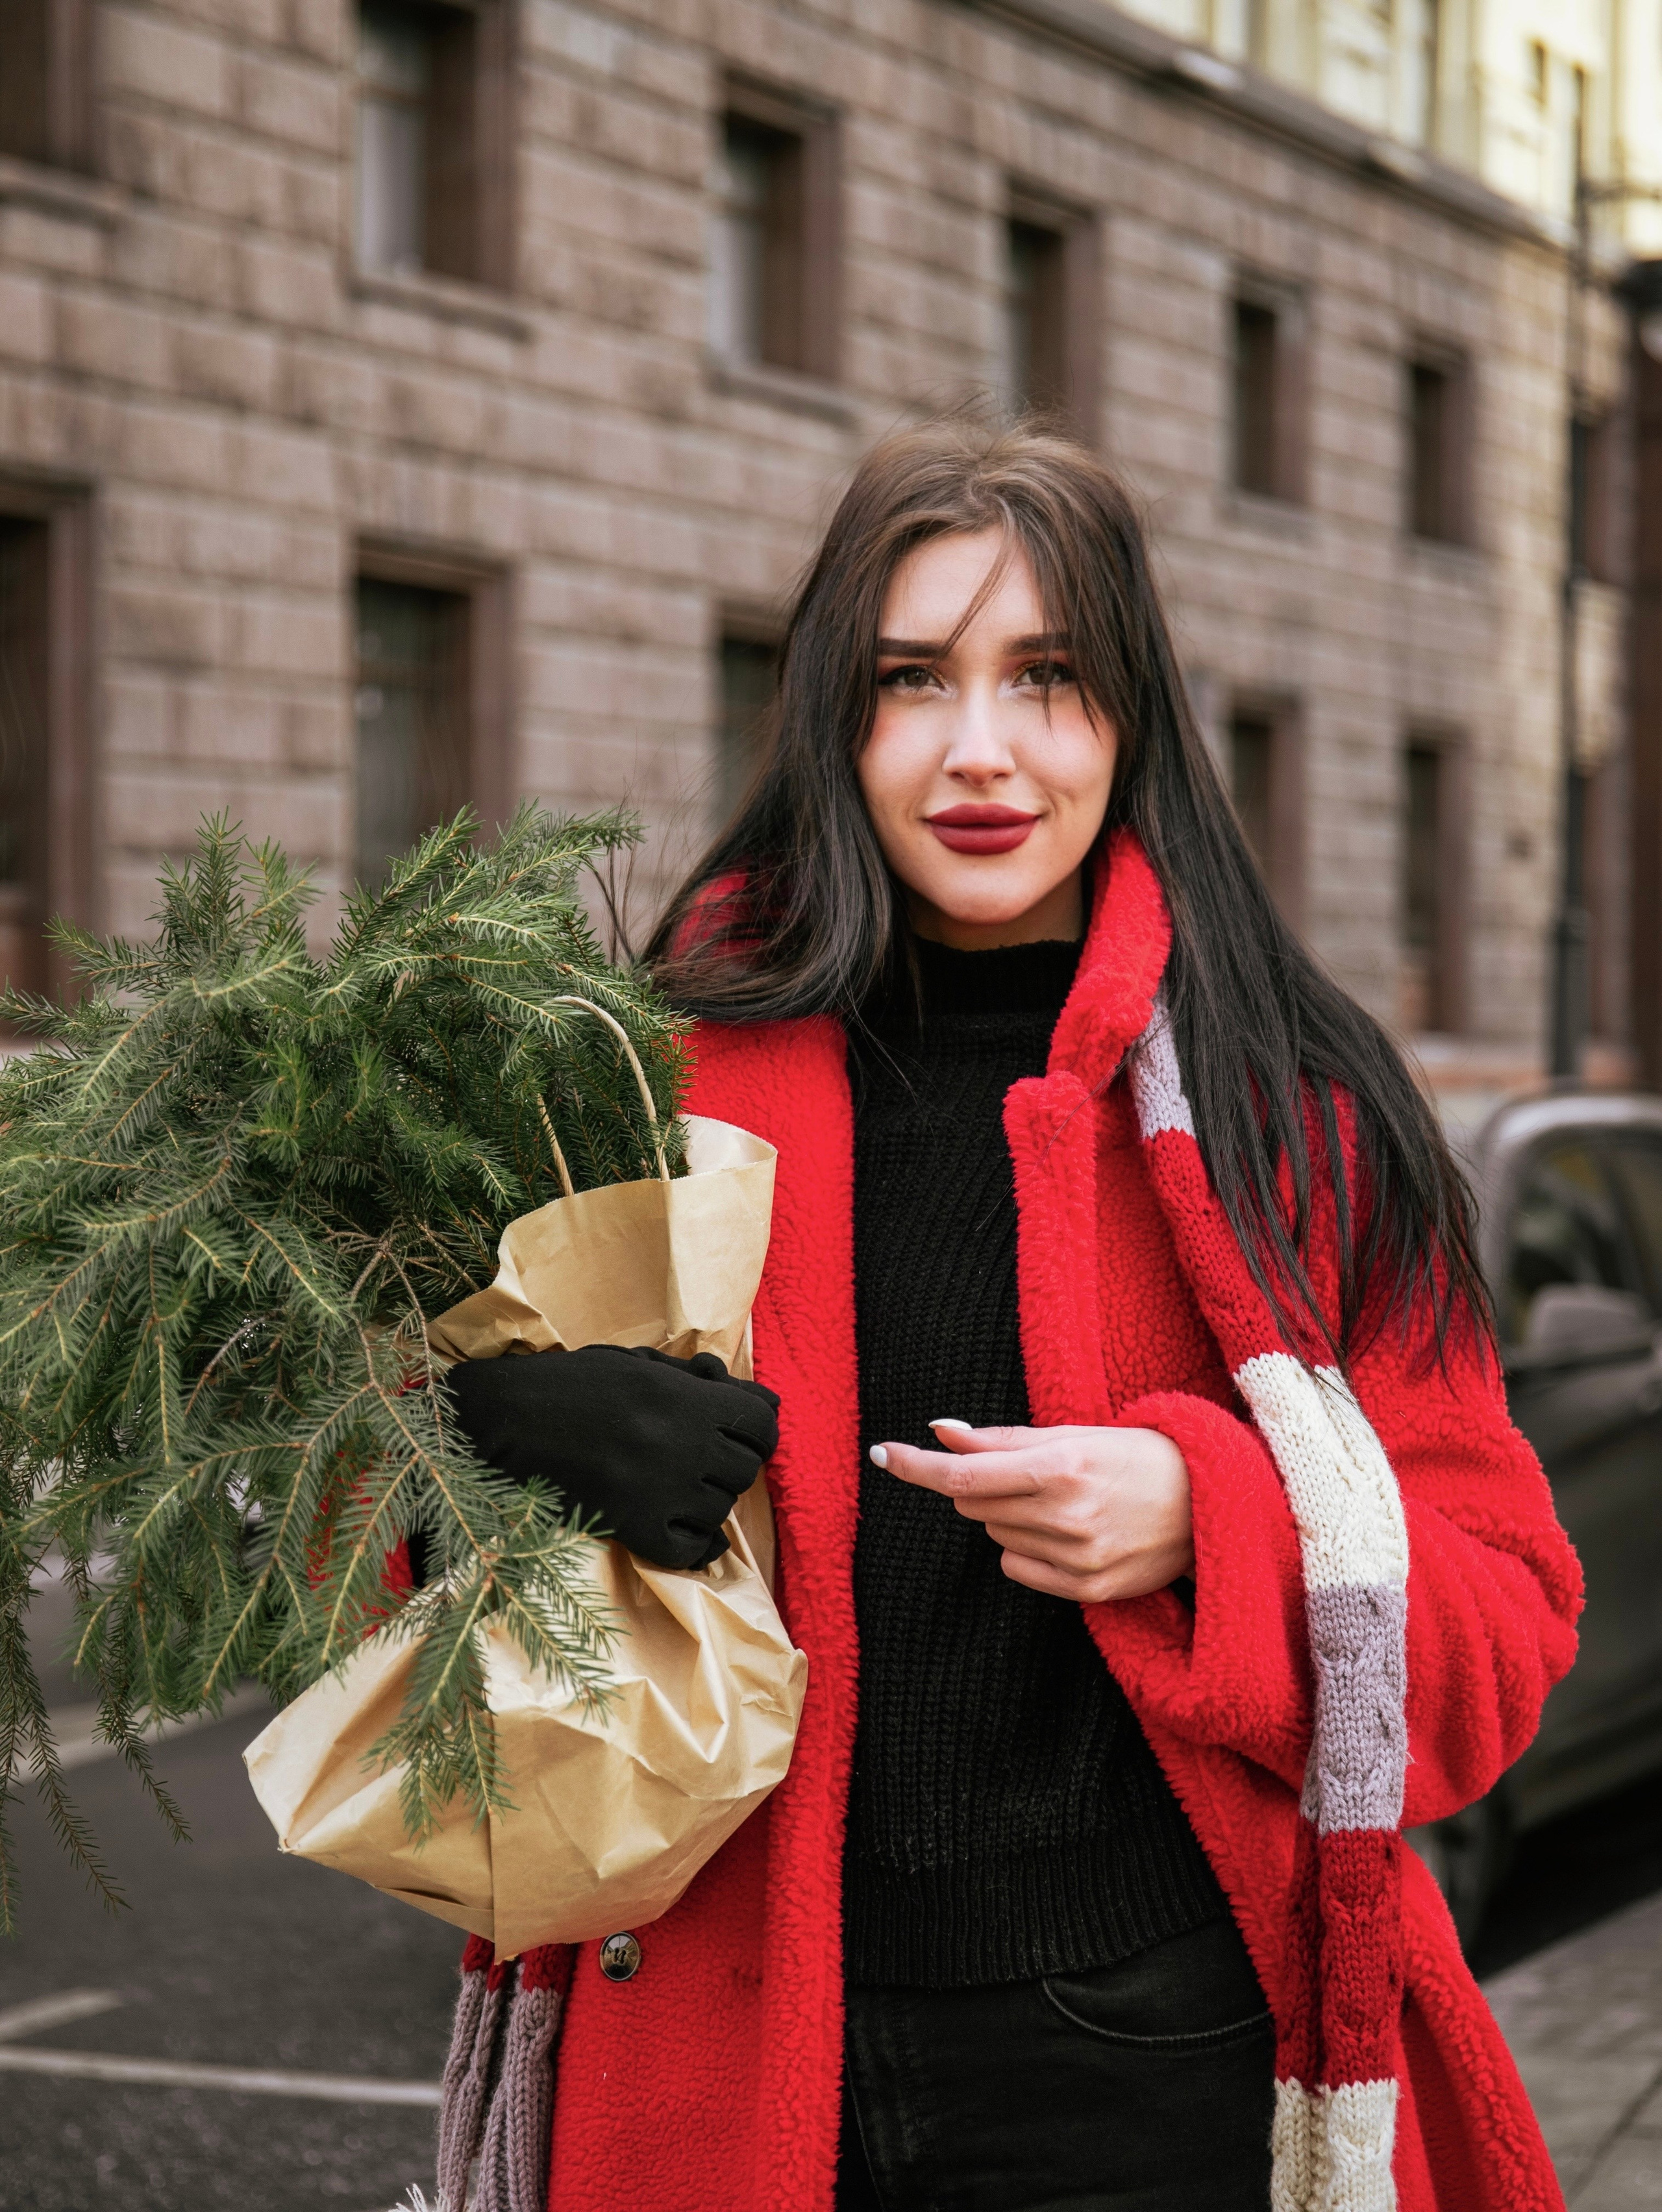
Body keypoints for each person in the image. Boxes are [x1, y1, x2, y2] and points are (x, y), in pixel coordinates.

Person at [439, 417, 1580, 2212]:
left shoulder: (1304, 1115)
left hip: (1145, 2065)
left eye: (1047, 678)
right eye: (912, 680)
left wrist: (1211, 1514)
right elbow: (336, 1541)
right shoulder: (643, 1085)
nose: (981, 752)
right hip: (717, 2060)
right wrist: (491, 1438)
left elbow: (1499, 1636)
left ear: (1132, 718)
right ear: (837, 716)